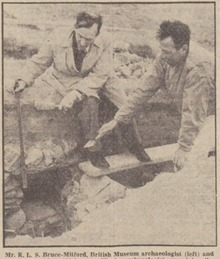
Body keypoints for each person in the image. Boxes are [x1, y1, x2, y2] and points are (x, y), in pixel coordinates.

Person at [7, 11, 150, 169]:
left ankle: (135, 145)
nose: (82, 42)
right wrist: (23, 80)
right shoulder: (56, 37)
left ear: (97, 34)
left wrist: (76, 93)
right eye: (80, 36)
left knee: (124, 103)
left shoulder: (106, 40)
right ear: (75, 27)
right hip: (67, 77)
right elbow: (39, 62)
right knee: (90, 102)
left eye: (88, 39)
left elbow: (101, 74)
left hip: (99, 76)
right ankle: (94, 150)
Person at [98, 20, 215, 171]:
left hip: (212, 116)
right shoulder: (165, 57)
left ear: (183, 49)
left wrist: (184, 148)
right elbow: (143, 90)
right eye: (162, 50)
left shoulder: (199, 69)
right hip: (199, 113)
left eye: (167, 52)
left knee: (189, 161)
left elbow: (193, 112)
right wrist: (118, 119)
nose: (163, 56)